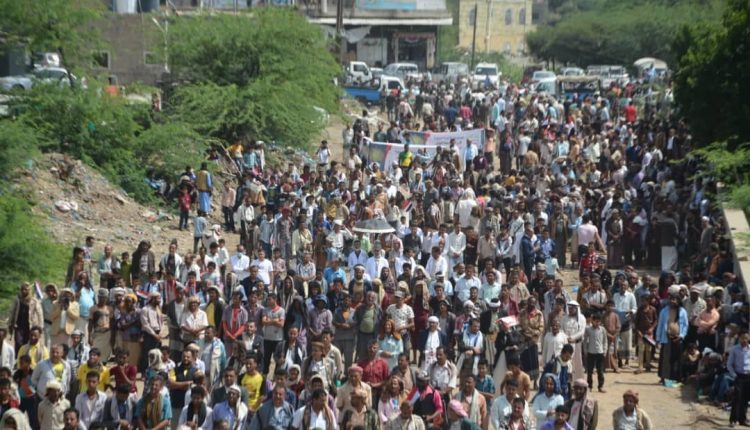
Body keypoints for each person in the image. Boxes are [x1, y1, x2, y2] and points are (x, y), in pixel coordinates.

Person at [728, 331, 750, 427]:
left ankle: (742, 419)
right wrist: (734, 375)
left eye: (746, 338)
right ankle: (733, 420)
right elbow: (729, 364)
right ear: (739, 338)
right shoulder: (734, 349)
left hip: (748, 377)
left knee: (745, 399)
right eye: (742, 338)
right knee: (737, 398)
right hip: (739, 376)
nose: (744, 340)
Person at [582, 313, 606, 393]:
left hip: (600, 352)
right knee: (590, 371)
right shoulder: (588, 329)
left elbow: (605, 341)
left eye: (598, 321)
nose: (597, 323)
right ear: (592, 321)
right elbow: (585, 341)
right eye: (595, 321)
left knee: (600, 371)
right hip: (591, 352)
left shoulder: (602, 329)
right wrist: (585, 350)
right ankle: (589, 386)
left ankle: (600, 386)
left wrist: (605, 350)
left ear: (600, 322)